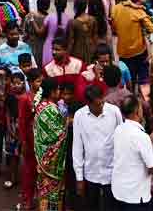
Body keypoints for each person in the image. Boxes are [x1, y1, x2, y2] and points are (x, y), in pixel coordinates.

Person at [72, 83, 123, 211]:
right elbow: (77, 147)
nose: (101, 106)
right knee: (91, 207)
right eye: (97, 104)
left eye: (102, 103)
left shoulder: (114, 112)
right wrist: (79, 177)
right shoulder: (79, 116)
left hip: (112, 172)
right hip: (90, 172)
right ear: (88, 104)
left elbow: (122, 140)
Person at [109, 96, 153, 211]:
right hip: (135, 196)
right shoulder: (141, 136)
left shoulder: (118, 130)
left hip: (119, 192)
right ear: (137, 111)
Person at [33, 79, 69, 211]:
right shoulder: (51, 110)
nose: (60, 92)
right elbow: (60, 134)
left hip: (42, 155)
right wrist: (67, 122)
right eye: (58, 89)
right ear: (52, 92)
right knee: (53, 191)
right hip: (52, 161)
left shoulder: (41, 106)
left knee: (44, 188)